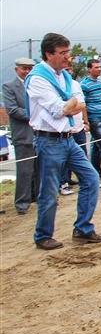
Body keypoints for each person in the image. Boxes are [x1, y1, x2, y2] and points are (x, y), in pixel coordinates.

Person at [25, 32, 101, 250]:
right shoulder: (38, 78)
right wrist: (70, 104)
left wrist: (70, 104)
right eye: (62, 53)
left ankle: (83, 228)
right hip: (48, 140)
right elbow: (58, 110)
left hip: (69, 138)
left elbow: (81, 102)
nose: (67, 57)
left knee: (90, 178)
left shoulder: (65, 77)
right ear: (49, 54)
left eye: (68, 52)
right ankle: (43, 235)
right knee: (49, 190)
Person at [2, 57, 38, 215]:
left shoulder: (36, 84)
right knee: (24, 170)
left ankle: (37, 196)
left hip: (40, 133)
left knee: (40, 168)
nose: (27, 72)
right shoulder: (9, 86)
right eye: (24, 68)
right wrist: (36, 115)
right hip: (23, 133)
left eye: (30, 69)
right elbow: (12, 110)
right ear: (17, 69)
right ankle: (22, 203)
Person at [59, 60, 90, 196]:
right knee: (65, 158)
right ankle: (64, 183)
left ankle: (85, 180)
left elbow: (82, 105)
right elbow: (63, 109)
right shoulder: (59, 85)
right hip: (66, 128)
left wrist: (85, 122)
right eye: (65, 69)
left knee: (82, 153)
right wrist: (70, 107)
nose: (68, 71)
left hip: (79, 125)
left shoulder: (75, 84)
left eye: (70, 69)